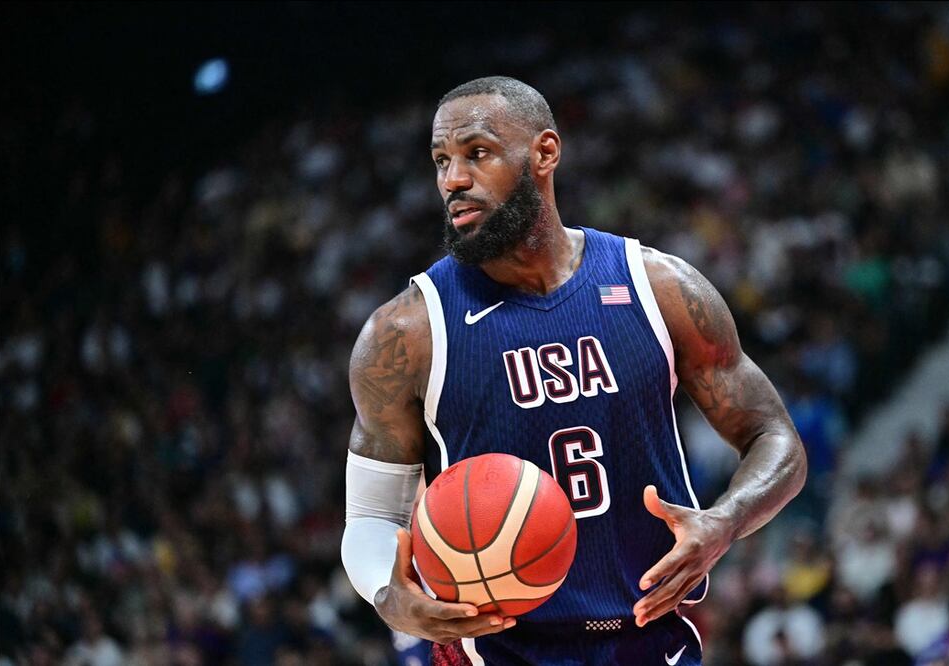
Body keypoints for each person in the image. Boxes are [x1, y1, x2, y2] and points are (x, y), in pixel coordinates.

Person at [341, 76, 807, 665]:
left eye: (476, 153)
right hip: (495, 650)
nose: (453, 180)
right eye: (441, 160)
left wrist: (726, 521)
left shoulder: (657, 288)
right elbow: (370, 517)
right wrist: (389, 595)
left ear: (544, 153)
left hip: (650, 639)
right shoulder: (406, 333)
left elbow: (776, 438)